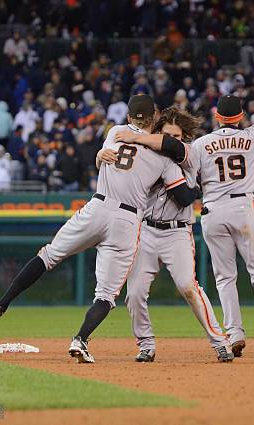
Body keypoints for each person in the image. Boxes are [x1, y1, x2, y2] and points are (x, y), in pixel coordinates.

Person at [0, 95, 204, 364]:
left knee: (49, 255)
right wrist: (200, 187)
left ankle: (0, 305)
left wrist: (99, 156)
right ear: (155, 117)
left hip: (98, 206)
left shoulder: (116, 132)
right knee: (107, 294)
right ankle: (81, 340)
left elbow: (105, 157)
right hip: (127, 221)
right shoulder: (166, 158)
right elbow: (182, 196)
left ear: (130, 117)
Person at [114, 82, 254, 357]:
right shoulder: (252, 136)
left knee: (225, 278)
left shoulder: (201, 145)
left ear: (217, 117)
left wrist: (139, 138)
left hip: (212, 210)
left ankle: (235, 332)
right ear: (239, 117)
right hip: (242, 207)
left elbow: (170, 146)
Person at [96, 106, 233, 363]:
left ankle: (220, 341)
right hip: (146, 229)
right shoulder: (143, 156)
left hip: (177, 233)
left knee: (187, 287)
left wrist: (194, 190)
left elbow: (182, 198)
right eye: (167, 135)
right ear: (157, 133)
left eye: (177, 137)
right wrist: (100, 154)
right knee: (134, 293)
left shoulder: (188, 156)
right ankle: (146, 344)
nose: (172, 141)